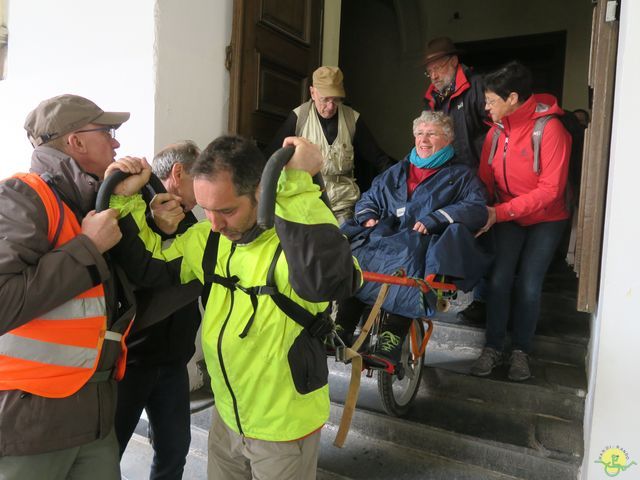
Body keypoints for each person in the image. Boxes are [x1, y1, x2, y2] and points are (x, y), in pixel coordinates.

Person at [106, 135, 361, 480]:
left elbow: (328, 282)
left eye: (226, 210)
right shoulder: (208, 239)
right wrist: (126, 202)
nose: (214, 223)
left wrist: (298, 186)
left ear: (260, 191)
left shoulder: (295, 244)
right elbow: (150, 265)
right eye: (206, 209)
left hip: (283, 430)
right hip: (227, 419)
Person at [0, 94, 136, 479]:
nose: (116, 143)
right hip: (33, 423)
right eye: (107, 132)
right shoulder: (20, 196)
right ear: (75, 142)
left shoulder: (90, 201)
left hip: (93, 416)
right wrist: (88, 248)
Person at [336, 111, 490, 366]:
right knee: (354, 257)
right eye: (419, 133)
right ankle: (341, 329)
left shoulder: (461, 175)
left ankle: (392, 338)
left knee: (407, 263)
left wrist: (437, 218)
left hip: (423, 242)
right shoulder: (398, 170)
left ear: (448, 138)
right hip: (385, 235)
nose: (423, 140)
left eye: (431, 134)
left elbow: (476, 208)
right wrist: (368, 216)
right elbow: (370, 197)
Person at [472, 61, 571, 382]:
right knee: (499, 281)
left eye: (491, 101)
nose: (486, 108)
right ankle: (493, 346)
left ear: (512, 98)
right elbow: (485, 180)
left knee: (529, 284)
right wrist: (477, 211)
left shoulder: (551, 129)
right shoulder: (495, 132)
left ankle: (520, 351)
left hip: (546, 219)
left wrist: (499, 213)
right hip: (507, 215)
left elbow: (551, 191)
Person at [115, 141, 203, 479]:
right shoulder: (134, 207)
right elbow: (136, 270)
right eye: (202, 176)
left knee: (174, 451)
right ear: (179, 173)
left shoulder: (190, 218)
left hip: (172, 362)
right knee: (110, 452)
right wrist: (155, 227)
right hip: (131, 361)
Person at [265, 66, 394, 224]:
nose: (331, 106)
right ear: (313, 93)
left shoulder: (352, 119)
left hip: (345, 206)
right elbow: (271, 159)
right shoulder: (299, 118)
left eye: (336, 99)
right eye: (325, 99)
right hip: (307, 203)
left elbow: (380, 160)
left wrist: (394, 190)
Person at [421, 36, 491, 325]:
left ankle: (483, 300)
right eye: (429, 72)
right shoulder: (433, 96)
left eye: (437, 68)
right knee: (446, 230)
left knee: (485, 238)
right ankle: (444, 290)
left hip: (480, 178)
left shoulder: (477, 88)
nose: (433, 76)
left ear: (453, 62)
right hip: (448, 177)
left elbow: (495, 133)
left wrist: (486, 177)